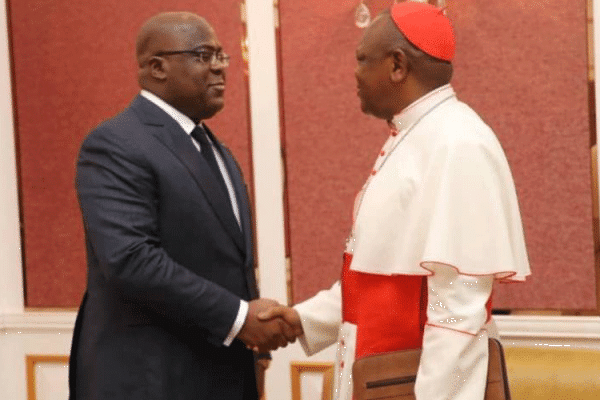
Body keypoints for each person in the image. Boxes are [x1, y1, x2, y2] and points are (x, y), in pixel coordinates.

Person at [259, 2, 531, 400]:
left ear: (397, 66)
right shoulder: (414, 136)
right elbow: (377, 282)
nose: (354, 72)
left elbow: (458, 309)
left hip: (416, 384)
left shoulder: (458, 142)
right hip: (377, 372)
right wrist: (304, 318)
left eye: (362, 60)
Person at [69, 12, 299, 400]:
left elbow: (229, 261)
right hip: (149, 378)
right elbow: (131, 259)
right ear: (157, 67)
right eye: (203, 55)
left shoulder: (217, 150)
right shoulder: (116, 143)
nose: (219, 68)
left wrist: (253, 349)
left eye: (221, 56)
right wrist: (240, 319)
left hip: (220, 373)